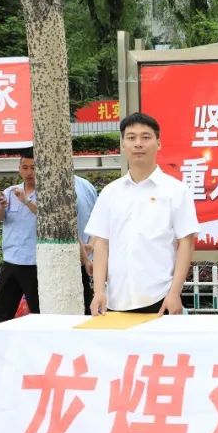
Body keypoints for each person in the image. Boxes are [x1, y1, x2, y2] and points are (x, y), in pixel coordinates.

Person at [85, 112, 199, 315]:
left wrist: (175, 293)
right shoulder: (110, 192)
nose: (138, 144)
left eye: (146, 137)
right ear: (123, 144)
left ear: (158, 143)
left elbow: (186, 243)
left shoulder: (176, 191)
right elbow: (101, 243)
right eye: (131, 138)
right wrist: (99, 291)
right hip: (115, 300)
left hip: (160, 299)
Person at [0, 149, 39, 322]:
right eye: (25, 167)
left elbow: (46, 216)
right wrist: (2, 205)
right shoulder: (10, 191)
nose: (29, 172)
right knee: (3, 311)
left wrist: (26, 201)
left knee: (39, 311)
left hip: (34, 261)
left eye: (33, 168)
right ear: (19, 169)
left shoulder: (46, 193)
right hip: (11, 259)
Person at [74, 174, 98, 315]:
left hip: (85, 259)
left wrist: (91, 245)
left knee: (87, 306)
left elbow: (99, 222)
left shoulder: (86, 186)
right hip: (77, 258)